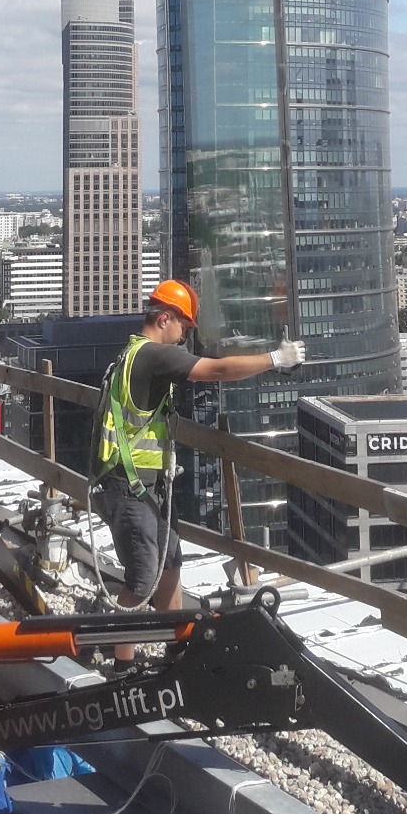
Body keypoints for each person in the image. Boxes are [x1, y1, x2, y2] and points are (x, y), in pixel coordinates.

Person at [90, 279, 304, 659]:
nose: (184, 337)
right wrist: (275, 359)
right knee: (142, 578)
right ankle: (121, 665)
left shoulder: (132, 355)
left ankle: (178, 651)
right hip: (129, 486)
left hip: (140, 484)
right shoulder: (154, 355)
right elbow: (218, 370)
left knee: (170, 562)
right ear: (165, 318)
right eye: (184, 328)